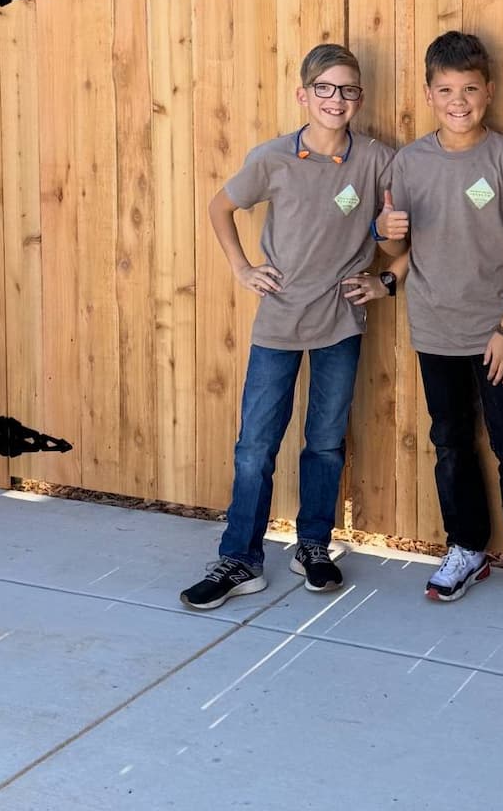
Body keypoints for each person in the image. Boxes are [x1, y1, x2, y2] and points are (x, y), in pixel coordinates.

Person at [181, 43, 400, 610]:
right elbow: (219, 208)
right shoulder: (273, 158)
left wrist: (386, 280)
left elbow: (405, 237)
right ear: (304, 95)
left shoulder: (378, 159)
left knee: (324, 443)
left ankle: (313, 547)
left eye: (348, 88)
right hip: (278, 321)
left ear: (359, 97)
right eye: (324, 88)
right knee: (255, 446)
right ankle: (241, 559)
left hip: (340, 323)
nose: (336, 99)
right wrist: (242, 268)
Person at [373, 30, 503, 616]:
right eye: (445, 90)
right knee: (451, 443)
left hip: (495, 334)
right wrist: (386, 238)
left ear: (488, 91)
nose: (458, 100)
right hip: (434, 330)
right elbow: (396, 250)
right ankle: (466, 546)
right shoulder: (408, 162)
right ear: (430, 95)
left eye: (469, 89)